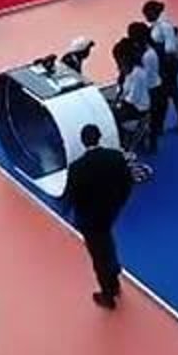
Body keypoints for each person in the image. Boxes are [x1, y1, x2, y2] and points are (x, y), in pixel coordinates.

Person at [62, 124, 134, 309]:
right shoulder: (115, 157)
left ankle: (108, 294)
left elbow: (70, 196)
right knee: (107, 243)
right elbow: (127, 182)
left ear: (83, 141)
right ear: (99, 137)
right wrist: (119, 203)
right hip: (110, 212)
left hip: (89, 219)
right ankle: (115, 282)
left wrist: (67, 213)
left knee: (98, 256)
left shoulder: (77, 167)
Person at [144, 0, 178, 134]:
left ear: (154, 12)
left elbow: (169, 49)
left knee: (170, 93)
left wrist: (155, 46)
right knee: (171, 93)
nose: (146, 18)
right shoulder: (156, 25)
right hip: (164, 64)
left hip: (168, 65)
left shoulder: (165, 26)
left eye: (147, 14)